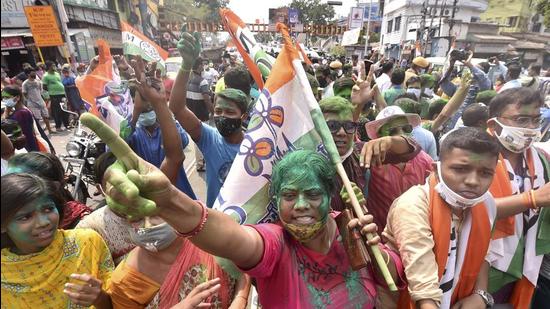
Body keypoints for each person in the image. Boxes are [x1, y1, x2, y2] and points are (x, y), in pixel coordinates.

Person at [77, 112, 406, 308]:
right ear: (276, 201)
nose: (301, 205)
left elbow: (394, 280)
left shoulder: (352, 230)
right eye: (289, 196)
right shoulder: (276, 243)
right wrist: (170, 199)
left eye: (313, 194)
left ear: (330, 195)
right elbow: (230, 238)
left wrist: (374, 248)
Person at [384, 127, 500, 308]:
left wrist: (480, 295)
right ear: (436, 169)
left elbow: (484, 252)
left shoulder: (486, 203)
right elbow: (423, 283)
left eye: (485, 173)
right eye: (461, 169)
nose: (473, 181)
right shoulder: (413, 205)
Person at [1, 173, 113, 308]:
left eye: (48, 209)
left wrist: (100, 298)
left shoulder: (87, 243)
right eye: (25, 217)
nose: (43, 222)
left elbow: (119, 303)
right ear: (3, 226)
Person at [484, 87, 550, 307]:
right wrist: (531, 199)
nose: (531, 128)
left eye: (535, 120)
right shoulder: (475, 156)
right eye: (521, 120)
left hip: (529, 262)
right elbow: (470, 207)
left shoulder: (541, 160)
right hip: (486, 265)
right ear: (493, 125)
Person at [170, 32, 250, 207]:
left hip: (247, 225)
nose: (222, 116)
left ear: (243, 116)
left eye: (229, 112)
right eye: (218, 110)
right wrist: (185, 66)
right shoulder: (210, 138)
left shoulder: (256, 144)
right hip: (216, 221)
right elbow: (177, 108)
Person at [107, 214, 252, 308]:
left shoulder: (205, 232)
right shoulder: (125, 281)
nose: (148, 225)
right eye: (137, 219)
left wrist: (240, 298)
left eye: (154, 214)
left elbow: (242, 259)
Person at [125, 59, 196, 199]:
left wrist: (160, 105)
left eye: (150, 102)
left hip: (179, 192)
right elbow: (115, 148)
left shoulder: (167, 126)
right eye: (142, 101)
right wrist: (136, 114)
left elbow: (183, 141)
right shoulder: (133, 131)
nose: (147, 105)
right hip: (149, 197)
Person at [364, 106, 434, 230]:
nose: (400, 135)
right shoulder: (370, 163)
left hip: (418, 232)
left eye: (406, 129)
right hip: (381, 238)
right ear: (378, 137)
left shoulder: (425, 160)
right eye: (392, 132)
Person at [7, 152, 92, 229]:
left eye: (20, 183)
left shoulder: (83, 224)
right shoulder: (8, 217)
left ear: (52, 187)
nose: (8, 188)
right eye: (7, 180)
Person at [186, 57, 213, 172]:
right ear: (198, 66)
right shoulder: (203, 81)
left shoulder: (188, 79)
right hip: (201, 115)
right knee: (202, 139)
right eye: (202, 65)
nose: (203, 67)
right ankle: (200, 163)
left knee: (197, 139)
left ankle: (201, 162)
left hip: (190, 114)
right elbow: (207, 100)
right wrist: (213, 111)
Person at [2, 86, 39, 151]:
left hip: (26, 147)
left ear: (17, 97)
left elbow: (22, 133)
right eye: (3, 98)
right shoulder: (17, 111)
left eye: (7, 97)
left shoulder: (21, 113)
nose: (4, 100)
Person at [22, 69, 52, 135]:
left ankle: (50, 130)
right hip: (32, 103)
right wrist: (29, 100)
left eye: (34, 72)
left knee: (46, 116)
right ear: (28, 74)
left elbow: (41, 91)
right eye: (32, 72)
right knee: (36, 119)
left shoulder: (38, 82)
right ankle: (39, 133)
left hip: (40, 101)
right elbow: (24, 93)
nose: (34, 73)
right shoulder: (25, 83)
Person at [42, 61, 70, 131]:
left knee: (65, 110)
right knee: (57, 111)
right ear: (49, 67)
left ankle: (67, 125)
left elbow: (60, 83)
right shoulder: (46, 76)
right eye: (53, 65)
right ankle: (58, 127)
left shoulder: (57, 74)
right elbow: (44, 87)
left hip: (62, 94)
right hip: (54, 95)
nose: (55, 67)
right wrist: (51, 93)